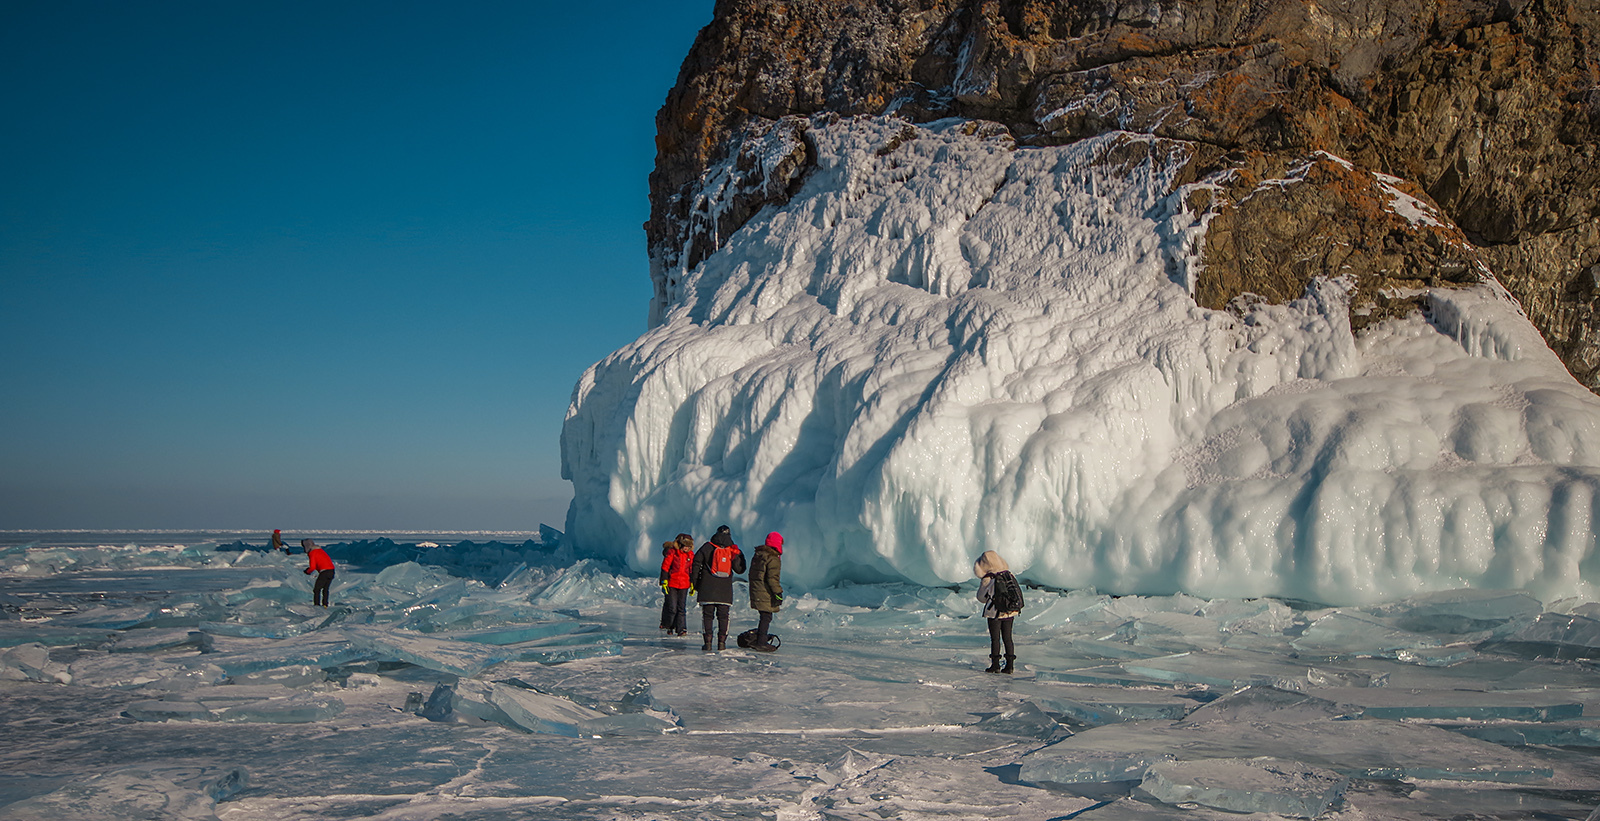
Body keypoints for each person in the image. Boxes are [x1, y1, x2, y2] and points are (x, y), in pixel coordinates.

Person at [690, 524, 745, 651]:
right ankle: (722, 643)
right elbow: (740, 569)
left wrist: (695, 584)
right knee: (724, 616)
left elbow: (696, 564)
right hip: (724, 589)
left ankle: (707, 642)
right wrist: (739, 555)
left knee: (708, 616)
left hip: (707, 588)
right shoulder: (732, 549)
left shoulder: (707, 547)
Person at [975, 549, 1023, 674]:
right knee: (1008, 638)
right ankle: (1009, 666)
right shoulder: (1008, 575)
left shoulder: (988, 579)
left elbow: (981, 598)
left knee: (995, 639)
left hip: (994, 613)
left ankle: (995, 665)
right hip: (1010, 612)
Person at [747, 531, 784, 652]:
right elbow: (772, 578)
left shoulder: (759, 555)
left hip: (757, 590)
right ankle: (761, 642)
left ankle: (759, 639)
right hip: (765, 592)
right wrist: (778, 593)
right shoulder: (773, 559)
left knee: (764, 616)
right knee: (766, 616)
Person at [659, 533, 694, 636]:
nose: (687, 548)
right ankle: (669, 626)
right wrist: (664, 581)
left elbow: (691, 570)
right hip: (672, 583)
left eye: (688, 546)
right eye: (685, 545)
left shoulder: (691, 556)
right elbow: (665, 567)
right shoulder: (672, 553)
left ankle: (681, 629)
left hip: (684, 584)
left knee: (681, 608)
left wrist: (692, 583)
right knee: (672, 608)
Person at [303, 539, 335, 607]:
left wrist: (307, 571)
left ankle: (317, 606)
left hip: (324, 572)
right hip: (331, 571)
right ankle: (325, 604)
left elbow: (312, 567)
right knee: (325, 589)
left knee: (316, 590)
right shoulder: (320, 550)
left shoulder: (312, 553)